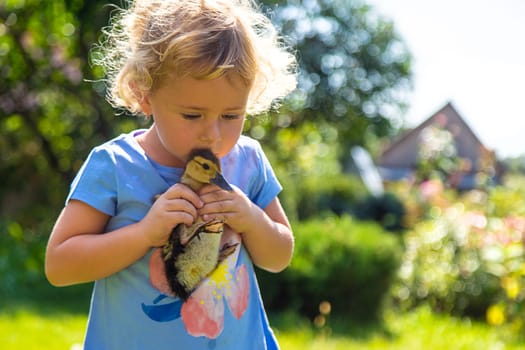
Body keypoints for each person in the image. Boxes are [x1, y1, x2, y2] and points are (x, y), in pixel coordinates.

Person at [44, 0, 297, 348]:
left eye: (231, 116)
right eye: (193, 116)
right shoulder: (115, 165)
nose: (213, 134)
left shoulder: (248, 161)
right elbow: (59, 265)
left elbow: (279, 255)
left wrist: (252, 219)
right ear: (144, 95)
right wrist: (144, 233)